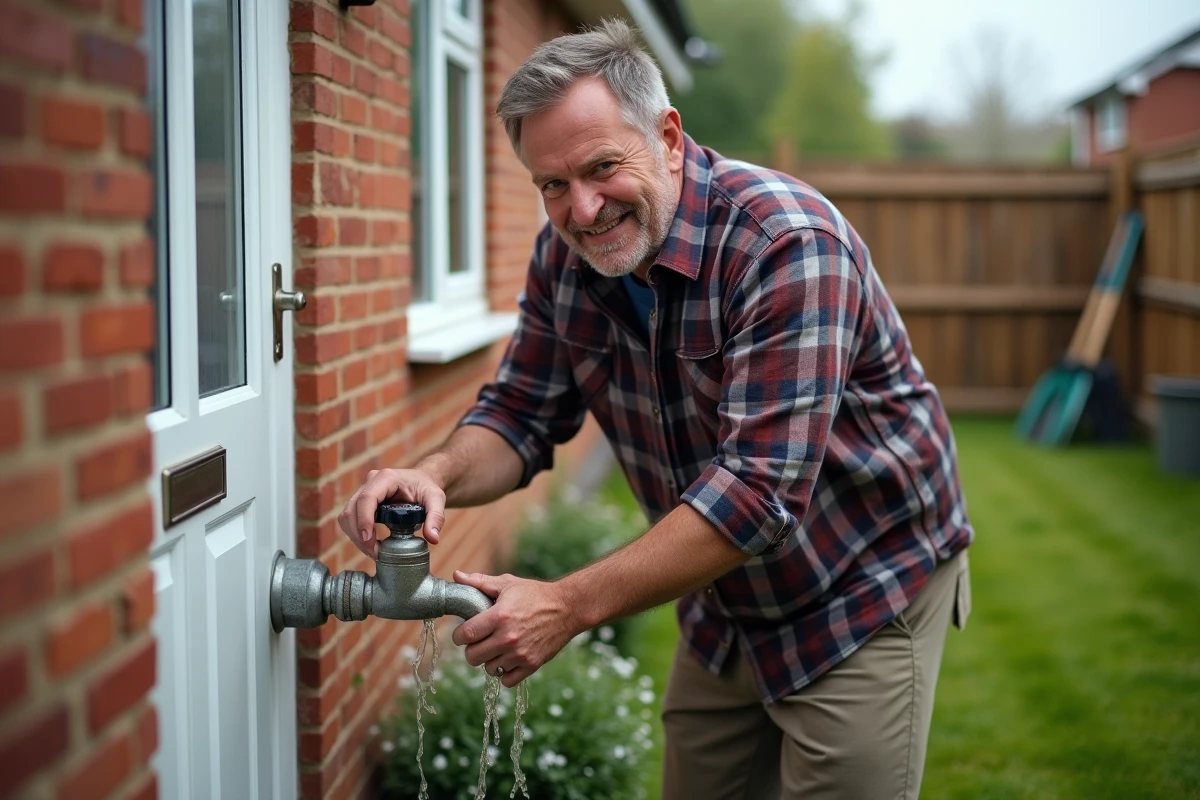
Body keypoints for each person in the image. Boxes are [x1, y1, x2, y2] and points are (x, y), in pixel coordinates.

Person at [338, 19, 973, 800]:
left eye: (603, 167)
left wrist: (567, 604)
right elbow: (519, 413)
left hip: (859, 579)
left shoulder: (786, 244)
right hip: (723, 595)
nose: (583, 208)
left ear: (668, 137)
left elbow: (756, 495)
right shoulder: (563, 257)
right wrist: (432, 473)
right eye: (552, 185)